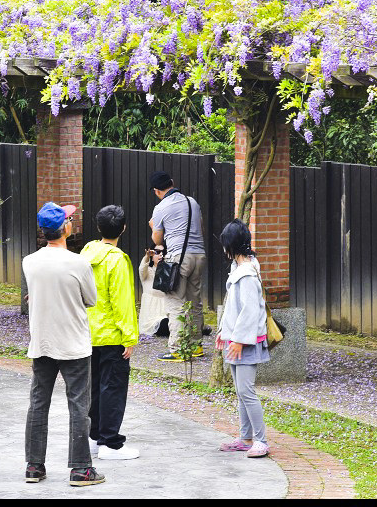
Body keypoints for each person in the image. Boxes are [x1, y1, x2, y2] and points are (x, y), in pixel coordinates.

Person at [22, 202, 104, 487]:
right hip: (73, 343)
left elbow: (36, 294)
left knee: (38, 403)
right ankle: (81, 469)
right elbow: (91, 299)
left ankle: (34, 465)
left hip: (42, 341)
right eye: (70, 220)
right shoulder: (79, 262)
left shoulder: (29, 261)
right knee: (78, 405)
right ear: (66, 228)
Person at [80, 204, 140, 461]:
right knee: (113, 388)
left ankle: (94, 438)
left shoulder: (86, 253)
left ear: (98, 227)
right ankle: (110, 442)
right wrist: (130, 337)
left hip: (88, 332)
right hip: (113, 335)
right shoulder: (118, 259)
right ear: (123, 228)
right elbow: (122, 302)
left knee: (93, 387)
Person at [215, 219, 270, 458]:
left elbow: (249, 311)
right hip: (237, 340)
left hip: (246, 342)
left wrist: (237, 339)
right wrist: (223, 333)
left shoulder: (246, 274)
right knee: (241, 391)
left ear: (231, 246)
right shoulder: (240, 269)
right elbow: (232, 309)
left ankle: (261, 440)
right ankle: (246, 437)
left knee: (246, 390)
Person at [147, 170, 206, 362]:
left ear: (156, 191)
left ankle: (178, 349)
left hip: (179, 257)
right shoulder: (192, 202)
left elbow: (157, 239)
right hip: (199, 255)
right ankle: (196, 346)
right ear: (172, 182)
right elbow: (200, 226)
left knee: (176, 303)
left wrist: (152, 226)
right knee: (195, 301)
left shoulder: (161, 207)